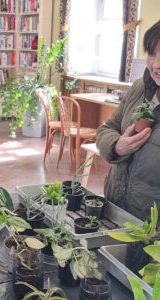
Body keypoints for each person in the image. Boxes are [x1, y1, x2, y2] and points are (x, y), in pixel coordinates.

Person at [96, 20, 160, 221]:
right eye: (152, 53)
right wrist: (116, 146)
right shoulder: (140, 88)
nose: (156, 64)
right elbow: (107, 128)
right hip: (115, 211)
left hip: (150, 231)